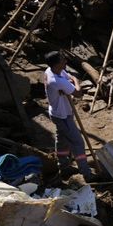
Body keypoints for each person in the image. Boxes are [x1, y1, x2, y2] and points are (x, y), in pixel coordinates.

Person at [43, 51, 92, 180]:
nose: (65, 61)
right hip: (63, 116)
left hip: (57, 113)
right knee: (77, 142)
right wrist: (75, 80)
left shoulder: (51, 70)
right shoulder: (56, 81)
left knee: (62, 140)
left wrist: (69, 82)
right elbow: (78, 93)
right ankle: (86, 173)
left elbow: (67, 76)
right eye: (62, 60)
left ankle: (63, 166)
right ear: (57, 63)